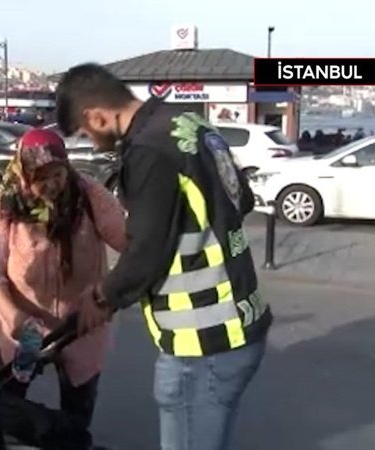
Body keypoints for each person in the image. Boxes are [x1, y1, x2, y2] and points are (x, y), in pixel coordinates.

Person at [55, 63, 272, 450]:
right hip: (243, 318)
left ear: (97, 116)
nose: (91, 141)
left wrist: (101, 298)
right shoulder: (191, 123)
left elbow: (145, 251)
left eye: (87, 133)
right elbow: (243, 197)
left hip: (203, 339)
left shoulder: (148, 151)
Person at [0, 128, 126, 448]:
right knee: (8, 406)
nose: (50, 185)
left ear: (67, 167)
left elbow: (132, 248)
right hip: (21, 328)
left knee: (77, 412)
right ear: (23, 173)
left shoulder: (90, 196)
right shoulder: (6, 202)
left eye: (57, 174)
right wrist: (14, 316)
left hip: (81, 326)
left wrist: (106, 297)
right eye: (39, 177)